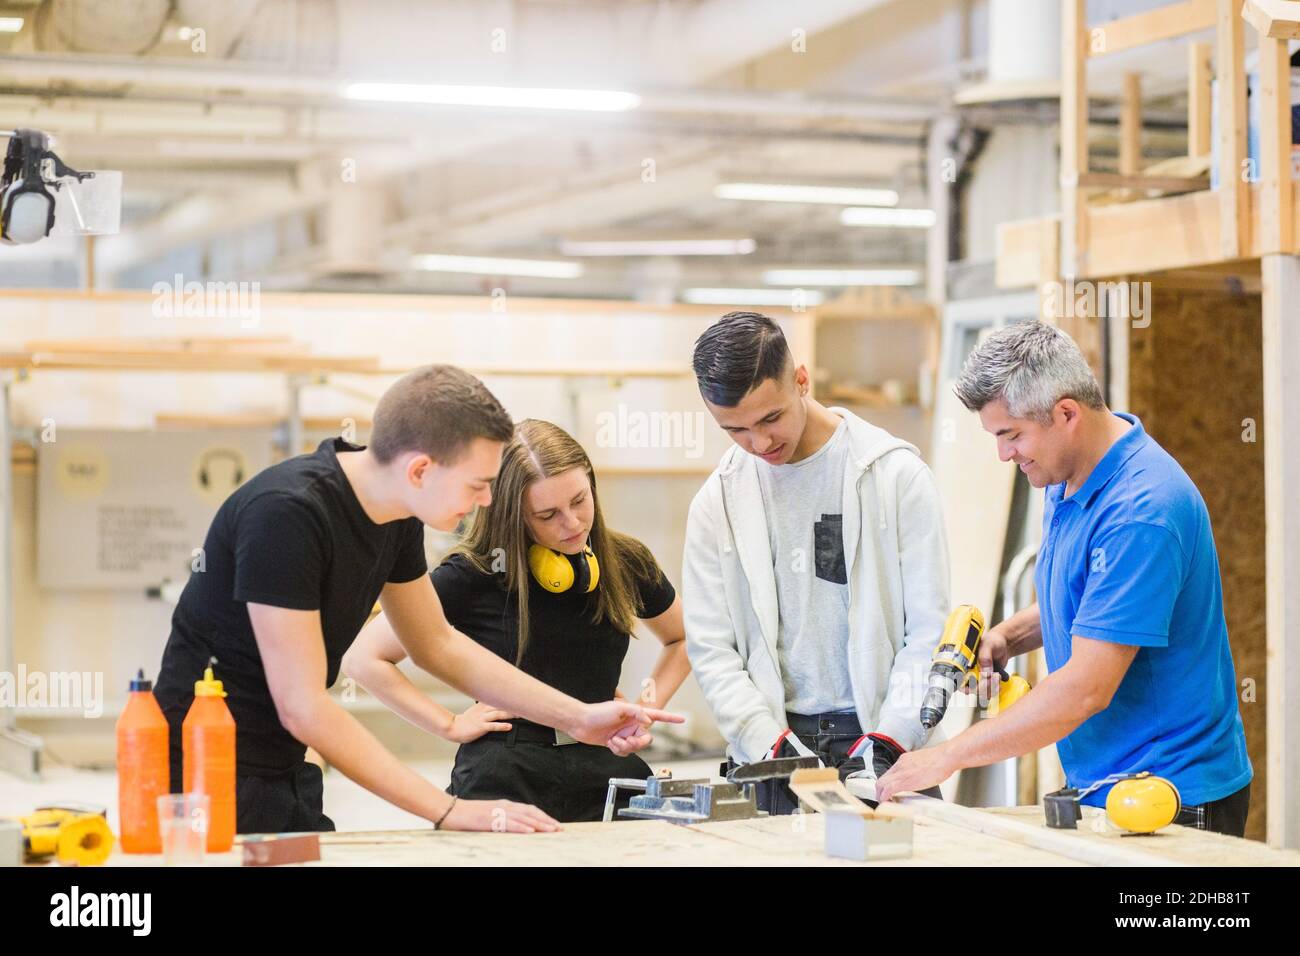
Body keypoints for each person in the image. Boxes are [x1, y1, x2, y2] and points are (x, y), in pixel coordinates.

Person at [154, 365, 681, 835]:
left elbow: (437, 644)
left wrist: (577, 718)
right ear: (420, 470)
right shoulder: (287, 514)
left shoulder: (395, 517)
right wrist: (447, 810)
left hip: (284, 767)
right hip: (206, 770)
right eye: (479, 484)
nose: (486, 502)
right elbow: (303, 706)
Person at [875, 322, 1253, 838]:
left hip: (1171, 797)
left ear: (1066, 414)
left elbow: (1085, 690)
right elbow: (1097, 601)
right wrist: (1013, 634)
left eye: (1011, 435)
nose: (1004, 455)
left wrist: (946, 756)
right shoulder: (1068, 470)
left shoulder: (1141, 512)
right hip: (1107, 784)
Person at [345, 419, 691, 822]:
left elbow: (681, 640)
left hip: (605, 768)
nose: (573, 523)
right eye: (547, 514)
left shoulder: (625, 560)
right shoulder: (472, 574)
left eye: (579, 500)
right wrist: (450, 724)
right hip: (505, 775)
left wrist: (644, 709)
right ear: (514, 516)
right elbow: (363, 661)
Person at [682, 311, 951, 812]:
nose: (760, 444)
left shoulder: (896, 477)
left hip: (886, 740)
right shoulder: (716, 503)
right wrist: (768, 743)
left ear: (801, 381)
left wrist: (892, 739)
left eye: (770, 419)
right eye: (735, 430)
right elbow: (712, 650)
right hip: (773, 752)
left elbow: (929, 633)